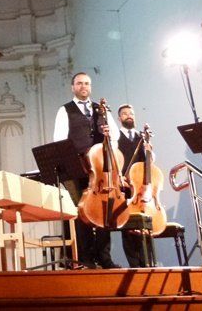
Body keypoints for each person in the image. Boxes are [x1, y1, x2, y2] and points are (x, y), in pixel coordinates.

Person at [52, 72, 121, 269]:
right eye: (80, 83)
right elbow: (59, 141)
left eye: (87, 84)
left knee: (104, 211)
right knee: (82, 213)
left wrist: (108, 132)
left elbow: (115, 137)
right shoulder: (65, 110)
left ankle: (104, 257)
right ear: (72, 87)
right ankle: (85, 258)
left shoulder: (101, 109)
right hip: (77, 168)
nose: (84, 87)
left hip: (100, 170)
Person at [116, 104, 152, 268]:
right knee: (128, 226)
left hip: (142, 189)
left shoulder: (141, 137)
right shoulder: (115, 138)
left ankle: (148, 263)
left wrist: (149, 151)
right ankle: (134, 265)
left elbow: (149, 164)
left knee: (146, 226)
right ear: (119, 118)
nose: (129, 116)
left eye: (131, 113)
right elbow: (114, 160)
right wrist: (118, 177)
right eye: (125, 114)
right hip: (124, 186)